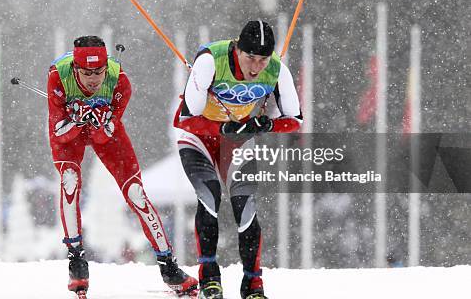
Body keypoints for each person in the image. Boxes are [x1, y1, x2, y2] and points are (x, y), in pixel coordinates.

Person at [47, 35, 197, 298]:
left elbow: (105, 136)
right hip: (70, 134)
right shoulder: (58, 78)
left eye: (99, 72)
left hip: (103, 133)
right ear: (75, 69)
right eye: (86, 73)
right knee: (69, 180)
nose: (94, 79)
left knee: (136, 193)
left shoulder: (120, 82)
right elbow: (59, 133)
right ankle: (76, 261)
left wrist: (102, 121)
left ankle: (168, 265)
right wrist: (78, 118)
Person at [174, 20, 303, 299]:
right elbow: (185, 119)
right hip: (199, 140)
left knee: (245, 206)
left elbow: (294, 121)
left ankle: (253, 285)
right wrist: (221, 128)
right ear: (237, 49)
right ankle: (209, 277)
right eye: (250, 58)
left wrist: (265, 125)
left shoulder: (276, 69)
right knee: (210, 195)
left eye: (262, 59)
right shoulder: (210, 61)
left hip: (238, 141)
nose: (256, 67)